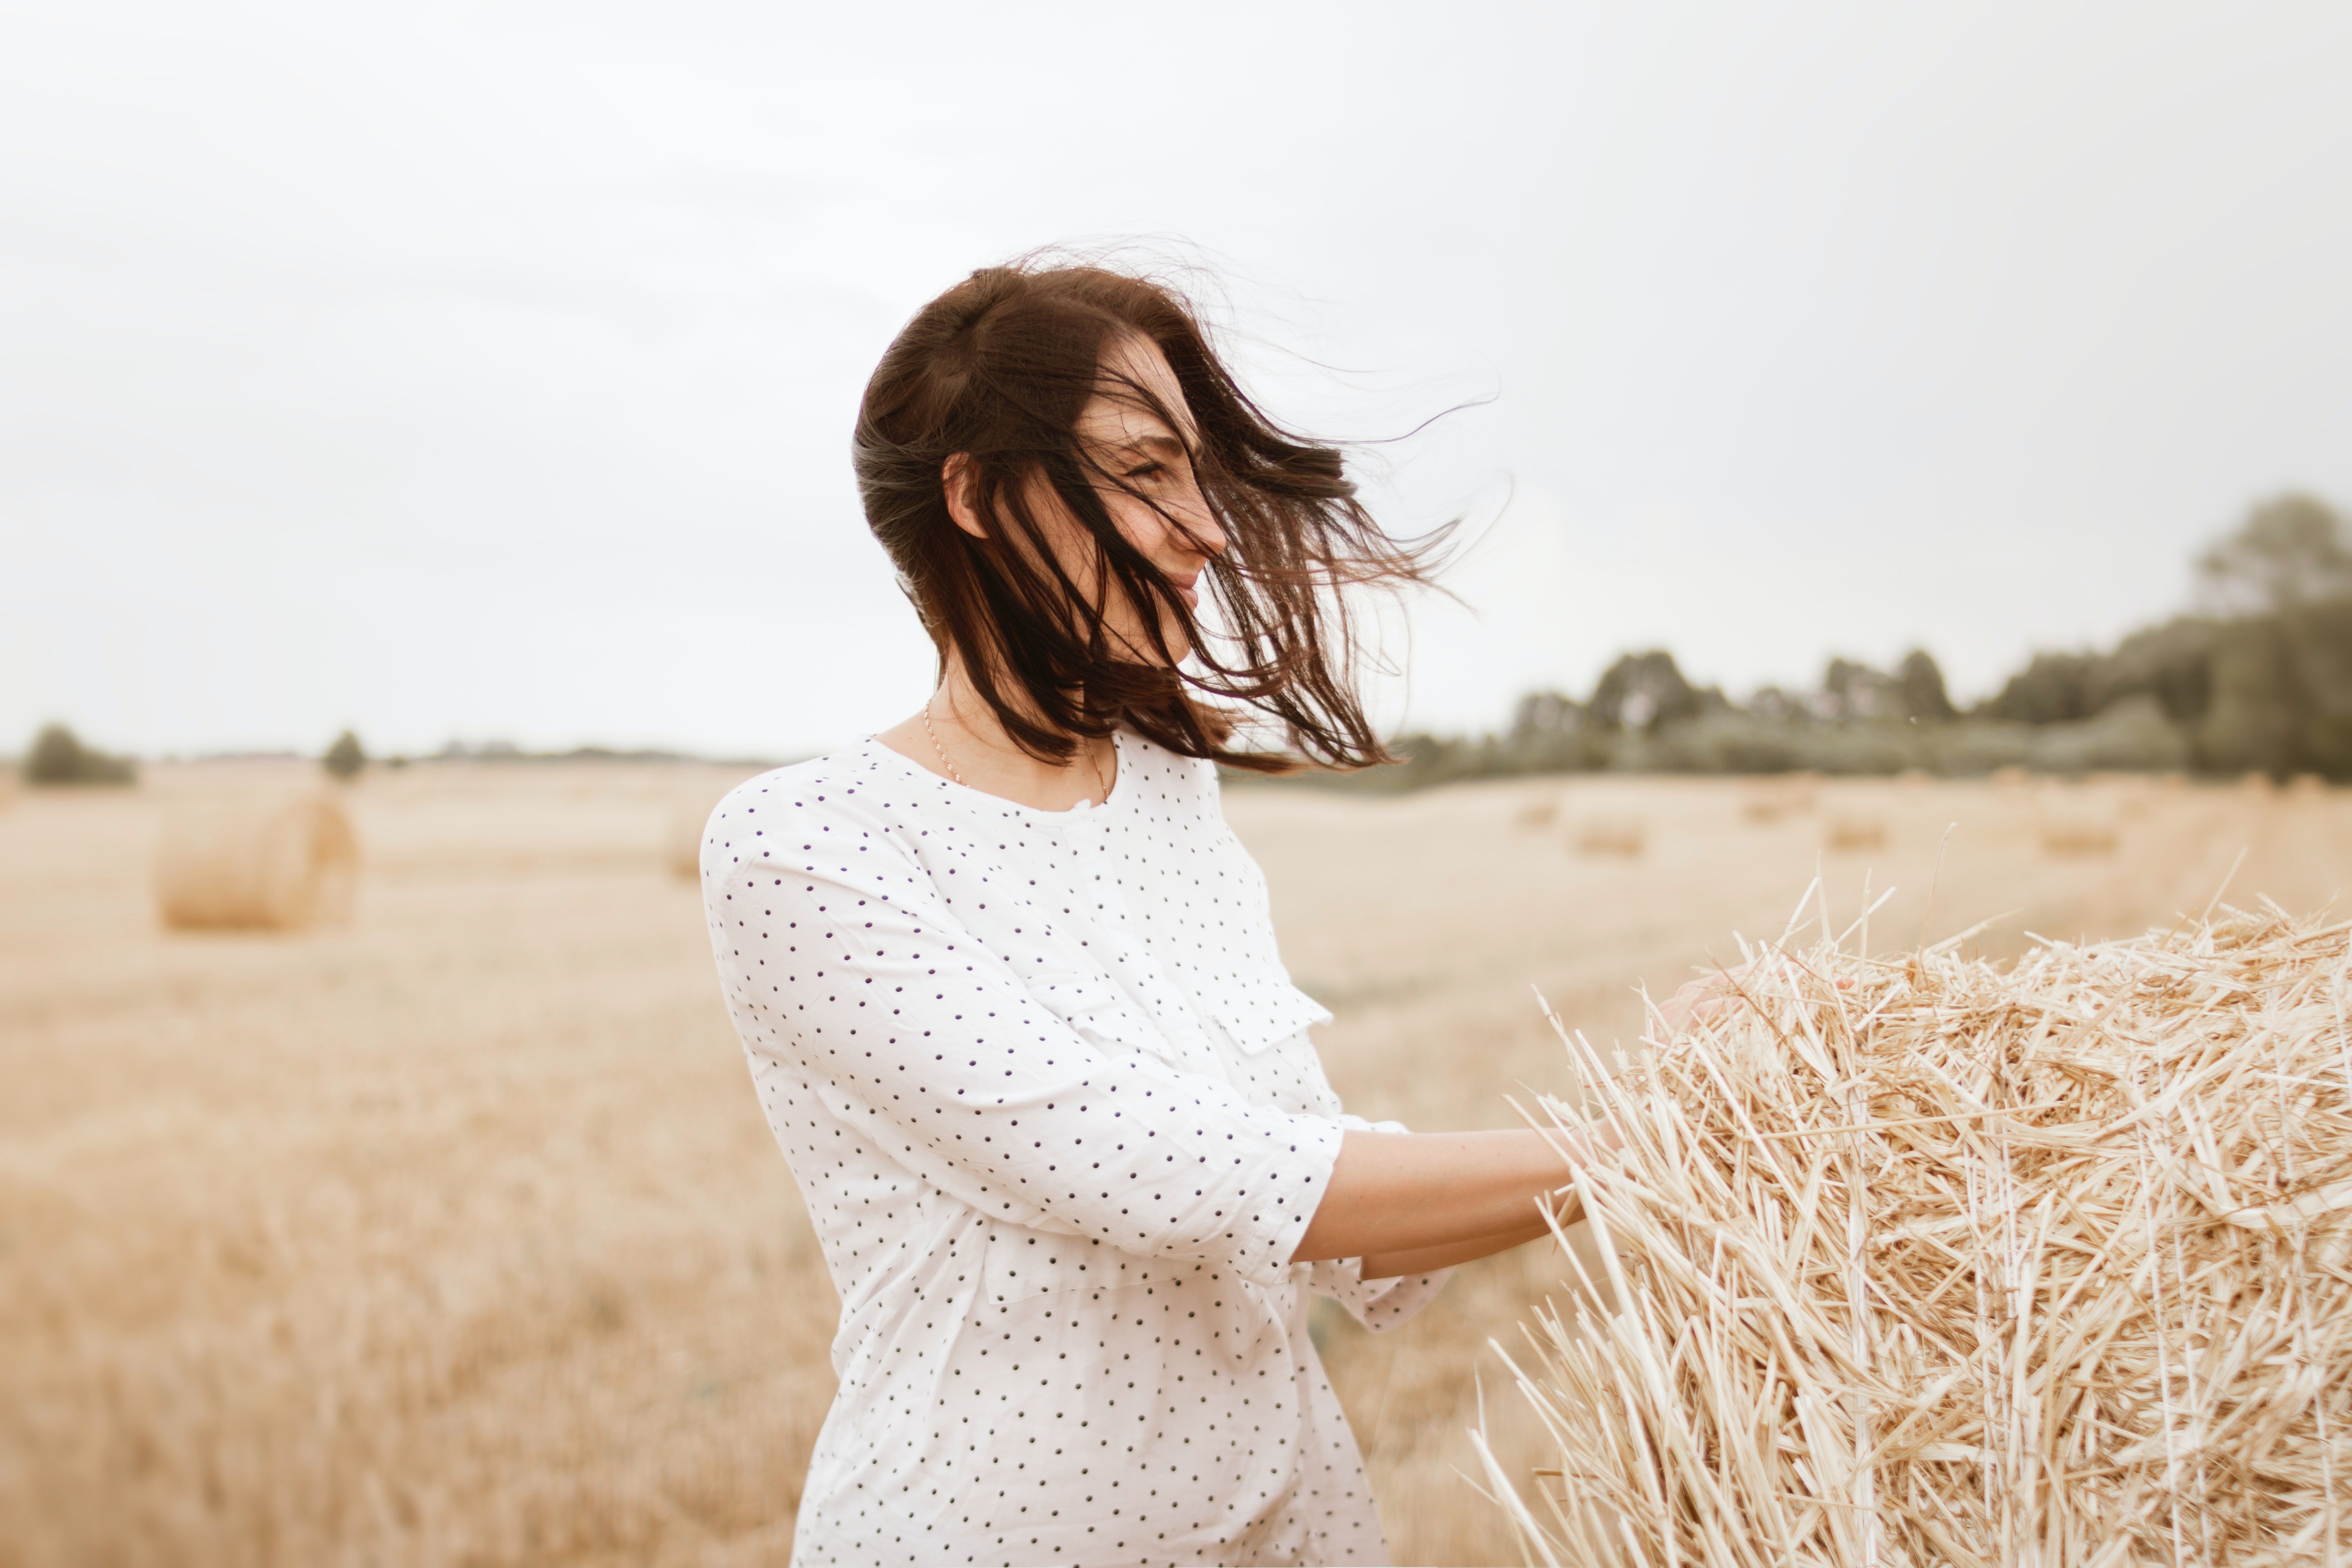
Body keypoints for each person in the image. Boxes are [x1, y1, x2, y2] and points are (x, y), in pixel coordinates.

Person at [699, 259, 1621, 1566]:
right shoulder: (807, 844)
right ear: (974, 493)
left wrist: (1666, 1130)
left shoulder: (1169, 796)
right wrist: (1643, 1136)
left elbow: (1311, 1174)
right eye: (1143, 472)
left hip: (1293, 1533)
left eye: (1194, 472)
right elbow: (1179, 1176)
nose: (1208, 526)